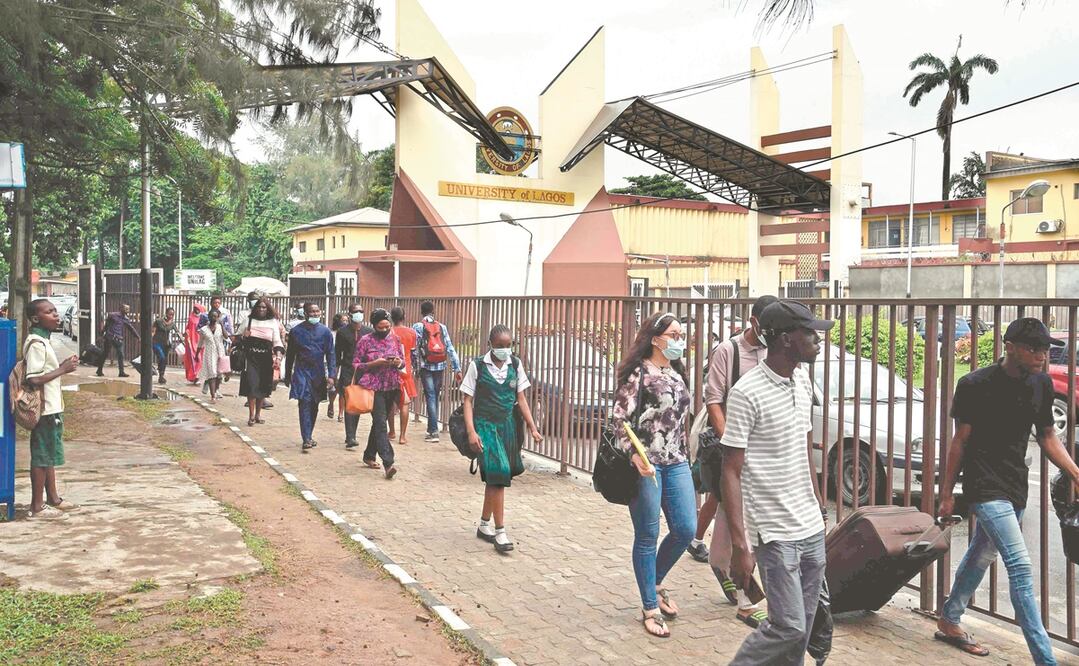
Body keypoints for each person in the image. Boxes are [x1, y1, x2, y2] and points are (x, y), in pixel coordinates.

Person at [935, 318, 1079, 663]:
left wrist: (1075, 471)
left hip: (1015, 483)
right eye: (1033, 348)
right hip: (984, 485)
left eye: (1045, 349)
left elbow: (1046, 435)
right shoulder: (973, 384)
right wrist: (946, 492)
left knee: (981, 553)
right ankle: (1045, 658)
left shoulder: (1042, 384)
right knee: (1020, 566)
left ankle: (950, 617)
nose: (1042, 356)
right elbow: (960, 441)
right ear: (1009, 346)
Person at [722, 300, 831, 666]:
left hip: (811, 528)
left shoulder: (802, 379)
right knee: (789, 627)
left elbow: (802, 444)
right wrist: (740, 544)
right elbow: (731, 471)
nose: (818, 339)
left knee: (803, 629)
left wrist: (816, 497)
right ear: (786, 339)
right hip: (774, 530)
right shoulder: (746, 393)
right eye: (810, 332)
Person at [695, 295, 777, 628]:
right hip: (733, 449)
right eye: (768, 326)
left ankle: (721, 562)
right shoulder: (728, 351)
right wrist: (733, 442)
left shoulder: (775, 352)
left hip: (764, 450)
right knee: (740, 518)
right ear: (754, 321)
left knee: (736, 517)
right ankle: (746, 599)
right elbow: (713, 400)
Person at [612, 312, 695, 639]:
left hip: (676, 461)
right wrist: (634, 455)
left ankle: (655, 581)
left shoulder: (677, 370)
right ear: (656, 338)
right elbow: (619, 421)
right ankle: (650, 606)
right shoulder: (637, 373)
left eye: (680, 335)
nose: (678, 341)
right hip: (646, 464)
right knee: (647, 535)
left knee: (686, 529)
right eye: (673, 335)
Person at [462, 324, 543, 553]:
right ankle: (500, 532)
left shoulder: (515, 365)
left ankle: (484, 524)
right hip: (485, 426)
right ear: (490, 345)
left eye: (508, 346)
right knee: (499, 473)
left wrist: (533, 427)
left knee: (498, 475)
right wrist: (471, 431)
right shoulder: (477, 366)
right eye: (499, 347)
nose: (504, 350)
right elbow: (467, 400)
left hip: (507, 426)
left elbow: (522, 399)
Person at [23, 299, 80, 519]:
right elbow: (34, 378)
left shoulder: (44, 341)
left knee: (49, 455)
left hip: (52, 408)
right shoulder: (36, 343)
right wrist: (62, 369)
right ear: (36, 319)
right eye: (50, 312)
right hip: (44, 410)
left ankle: (53, 498)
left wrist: (61, 367)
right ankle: (37, 507)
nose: (56, 315)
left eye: (56, 311)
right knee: (41, 457)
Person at [354, 308, 403, 478]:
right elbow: (356, 364)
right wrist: (373, 363)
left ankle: (369, 455)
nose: (384, 330)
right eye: (380, 327)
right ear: (374, 326)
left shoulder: (395, 339)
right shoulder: (365, 341)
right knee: (382, 423)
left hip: (391, 385)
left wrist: (398, 362)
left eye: (387, 327)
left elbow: (403, 362)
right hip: (373, 388)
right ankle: (388, 463)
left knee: (378, 423)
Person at [283, 303, 336, 453]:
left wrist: (332, 375)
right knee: (304, 402)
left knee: (314, 404)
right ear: (305, 313)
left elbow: (331, 354)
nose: (314, 314)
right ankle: (306, 438)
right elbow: (290, 355)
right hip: (301, 371)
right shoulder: (296, 331)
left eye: (317, 311)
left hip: (318, 373)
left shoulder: (326, 332)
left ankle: (309, 434)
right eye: (311, 312)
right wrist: (287, 375)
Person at [413, 301, 462, 442]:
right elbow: (449, 347)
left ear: (422, 312)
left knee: (430, 396)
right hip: (440, 365)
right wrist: (456, 367)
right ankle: (433, 428)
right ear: (433, 311)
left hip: (425, 366)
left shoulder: (418, 326)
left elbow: (415, 350)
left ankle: (433, 431)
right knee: (435, 394)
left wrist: (416, 368)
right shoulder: (442, 327)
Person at [237, 298, 284, 427]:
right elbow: (235, 338)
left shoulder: (273, 322)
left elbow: (277, 342)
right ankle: (251, 415)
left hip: (266, 359)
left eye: (264, 307)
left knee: (262, 387)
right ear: (255, 308)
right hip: (251, 358)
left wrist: (278, 358)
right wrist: (243, 336)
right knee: (251, 386)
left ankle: (258, 415)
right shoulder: (248, 321)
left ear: (268, 309)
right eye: (259, 307)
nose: (261, 309)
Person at [338, 303, 374, 444]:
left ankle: (353, 433)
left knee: (357, 402)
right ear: (350, 314)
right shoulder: (342, 332)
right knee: (349, 400)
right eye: (355, 311)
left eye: (361, 311)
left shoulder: (368, 331)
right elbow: (338, 353)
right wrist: (333, 374)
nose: (358, 313)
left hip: (363, 371)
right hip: (348, 370)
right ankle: (350, 436)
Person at [388, 306, 418, 446]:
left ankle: (392, 431)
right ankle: (403, 436)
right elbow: (412, 350)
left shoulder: (388, 331)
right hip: (405, 368)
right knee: (404, 402)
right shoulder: (411, 332)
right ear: (403, 317)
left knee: (390, 402)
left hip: (390, 367)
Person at [96, 303, 140, 377]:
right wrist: (102, 334)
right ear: (121, 309)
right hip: (110, 337)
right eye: (126, 309)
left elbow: (131, 329)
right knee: (105, 354)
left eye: (128, 309)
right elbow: (106, 325)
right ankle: (99, 370)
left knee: (121, 354)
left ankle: (121, 372)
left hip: (118, 338)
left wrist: (138, 337)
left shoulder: (126, 319)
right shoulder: (112, 315)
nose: (127, 310)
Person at [196, 308, 227, 402]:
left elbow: (226, 337)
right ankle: (213, 395)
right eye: (212, 316)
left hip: (220, 352)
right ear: (209, 317)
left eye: (216, 316)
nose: (214, 318)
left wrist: (222, 325)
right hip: (209, 353)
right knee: (212, 373)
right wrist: (196, 355)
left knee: (219, 373)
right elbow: (200, 343)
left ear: (218, 317)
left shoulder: (220, 327)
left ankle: (216, 389)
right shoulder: (203, 330)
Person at [326, 313, 350, 419]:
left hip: (344, 362)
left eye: (346, 320)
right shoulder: (331, 334)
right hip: (333, 362)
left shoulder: (348, 333)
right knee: (333, 388)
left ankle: (341, 412)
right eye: (343, 320)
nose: (345, 322)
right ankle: (331, 404)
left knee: (342, 389)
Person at [151, 307, 180, 385]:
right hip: (156, 342)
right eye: (170, 314)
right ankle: (160, 373)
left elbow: (178, 333)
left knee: (164, 360)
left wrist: (184, 338)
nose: (171, 316)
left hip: (166, 344)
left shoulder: (172, 323)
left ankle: (161, 376)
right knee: (161, 357)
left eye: (172, 314)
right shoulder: (158, 321)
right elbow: (153, 331)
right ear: (166, 313)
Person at [182, 303, 206, 384]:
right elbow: (188, 327)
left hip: (200, 340)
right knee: (192, 358)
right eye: (195, 308)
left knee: (199, 359)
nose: (196, 309)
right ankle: (193, 376)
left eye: (197, 308)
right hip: (191, 341)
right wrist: (186, 333)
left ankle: (197, 375)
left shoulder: (203, 318)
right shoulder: (191, 317)